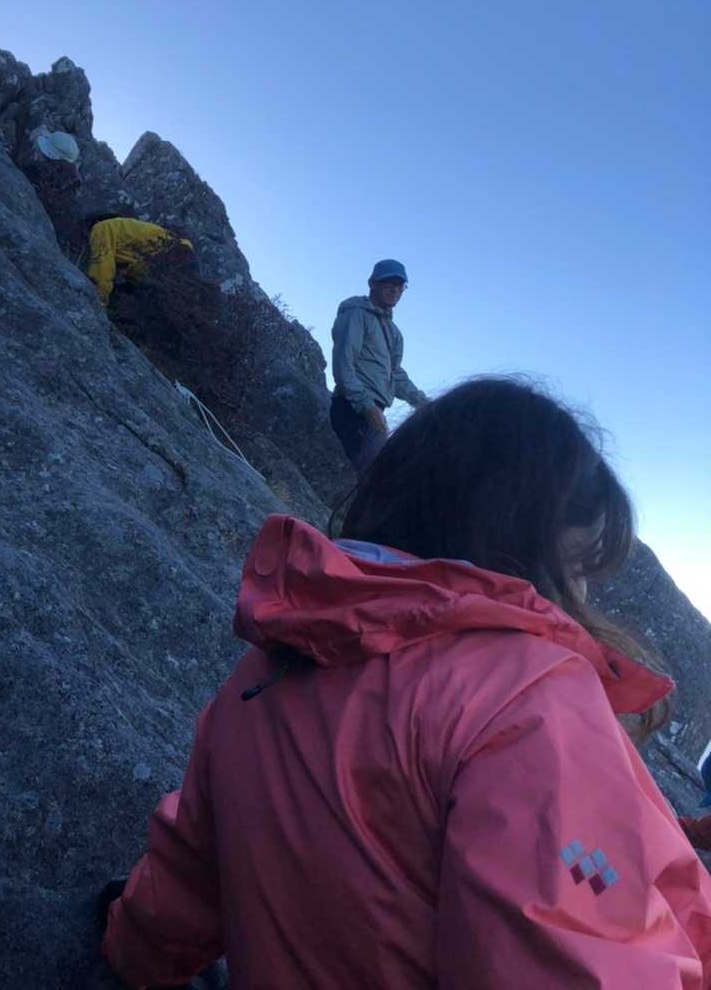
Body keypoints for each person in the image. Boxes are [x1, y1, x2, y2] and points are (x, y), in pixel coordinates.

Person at [103, 378, 711, 988]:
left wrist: (128, 953)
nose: (581, 597)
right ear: (518, 546)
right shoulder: (528, 702)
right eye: (577, 569)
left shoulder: (267, 664)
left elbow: (181, 882)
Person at [330, 257, 428, 474]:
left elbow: (396, 374)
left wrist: (422, 402)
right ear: (372, 283)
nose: (395, 290)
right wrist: (366, 407)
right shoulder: (356, 313)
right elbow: (343, 364)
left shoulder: (394, 333)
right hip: (352, 408)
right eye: (389, 283)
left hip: (375, 412)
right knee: (377, 475)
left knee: (382, 474)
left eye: (400, 286)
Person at [87, 216, 193, 306]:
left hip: (120, 244)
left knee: (137, 275)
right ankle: (95, 305)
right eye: (179, 253)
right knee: (103, 272)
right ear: (176, 245)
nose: (177, 258)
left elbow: (138, 264)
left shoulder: (160, 250)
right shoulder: (159, 238)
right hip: (106, 232)